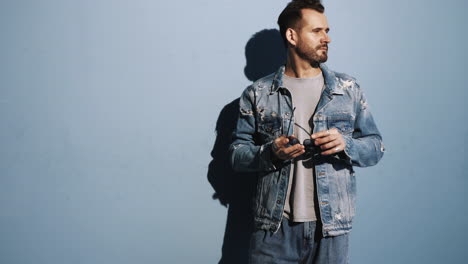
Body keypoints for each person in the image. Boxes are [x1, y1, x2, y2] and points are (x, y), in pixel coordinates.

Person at [229, 0, 385, 263]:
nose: (327, 38)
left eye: (327, 30)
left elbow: (375, 147)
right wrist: (271, 152)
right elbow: (236, 155)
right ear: (292, 36)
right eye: (317, 31)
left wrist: (345, 144)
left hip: (331, 231)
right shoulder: (258, 93)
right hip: (274, 229)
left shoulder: (347, 89)